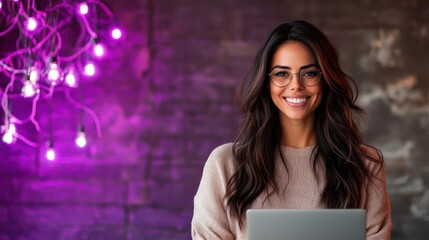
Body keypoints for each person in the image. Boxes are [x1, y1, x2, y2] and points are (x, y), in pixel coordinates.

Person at [191, 20, 392, 240]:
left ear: (325, 80)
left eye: (309, 73)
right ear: (266, 83)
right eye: (281, 74)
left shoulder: (365, 165)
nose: (296, 85)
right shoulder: (225, 164)